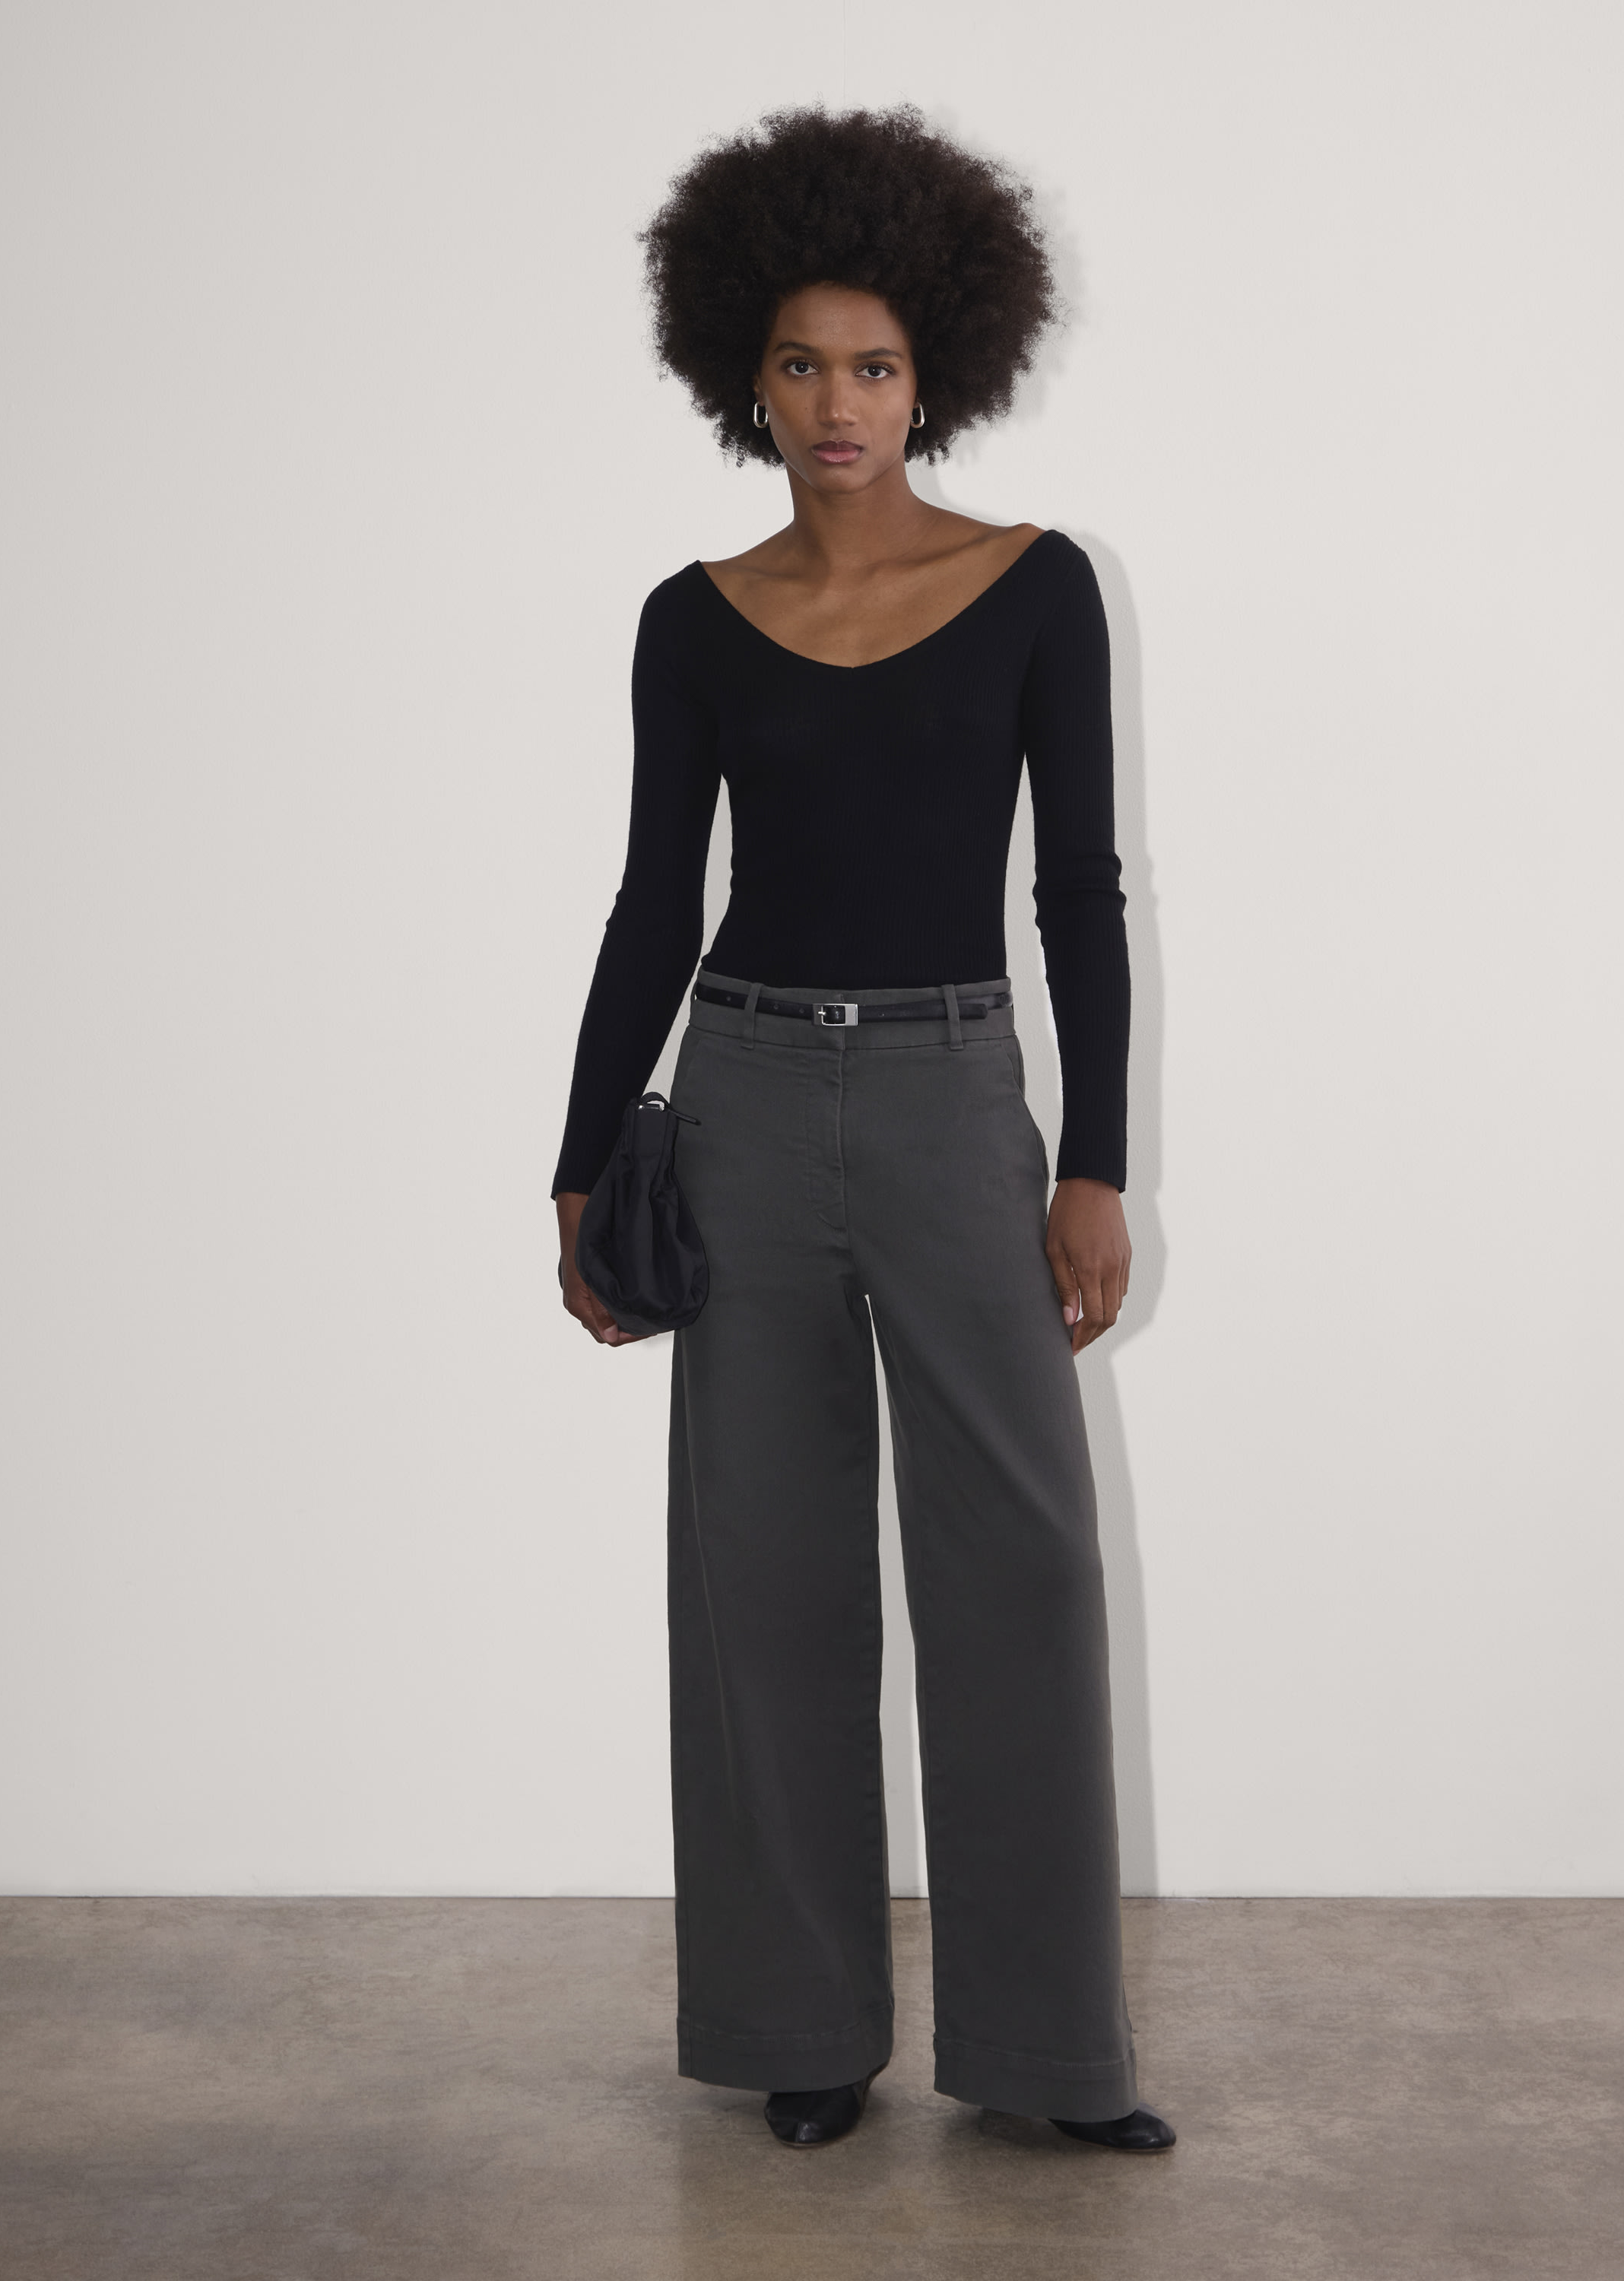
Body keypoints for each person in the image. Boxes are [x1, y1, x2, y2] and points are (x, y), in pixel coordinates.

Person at [552, 105, 1174, 2155]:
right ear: (745, 374)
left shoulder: (1036, 588)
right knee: (764, 1574)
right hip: (738, 1100)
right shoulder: (691, 617)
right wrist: (581, 1161)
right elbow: (655, 903)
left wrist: (1093, 1163)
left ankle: (1051, 2058)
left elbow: (1079, 894)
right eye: (803, 364)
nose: (839, 403)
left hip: (949, 1097)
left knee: (1023, 1565)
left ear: (936, 378)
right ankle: (799, 2028)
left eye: (877, 366)